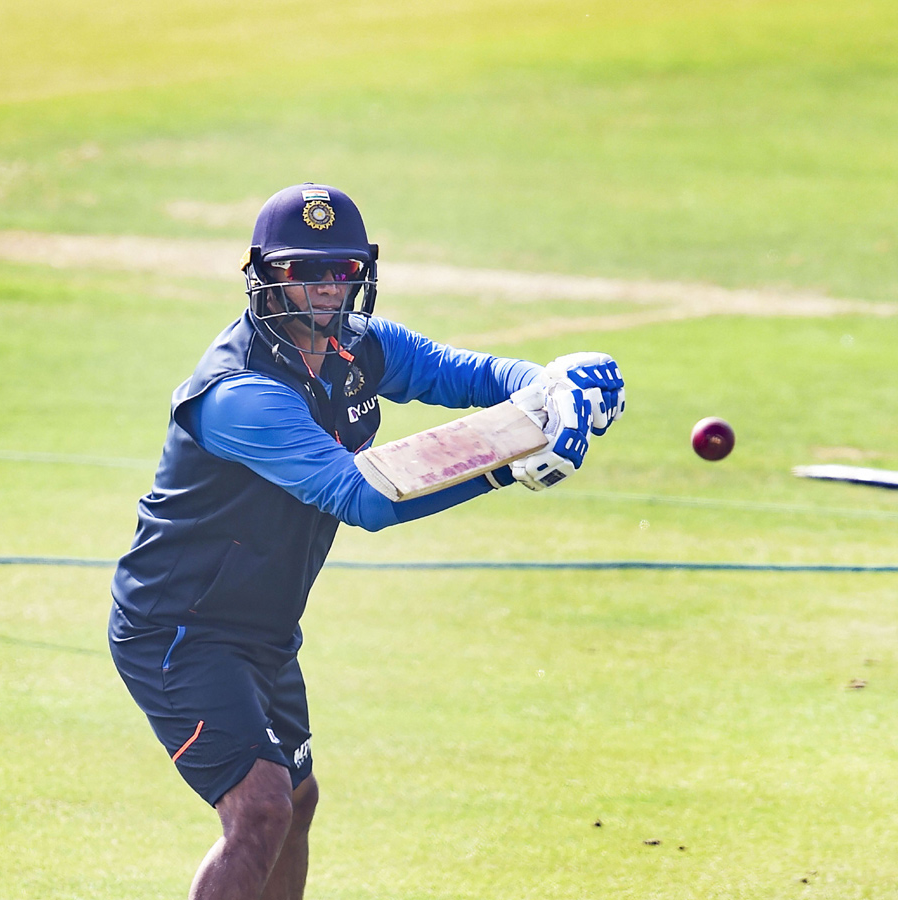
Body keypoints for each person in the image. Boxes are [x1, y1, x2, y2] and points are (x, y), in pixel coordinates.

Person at [108, 183, 624, 899]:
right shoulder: (238, 394)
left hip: (262, 627)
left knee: (296, 800)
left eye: (341, 271)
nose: (324, 288)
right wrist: (511, 466)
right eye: (304, 271)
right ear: (264, 275)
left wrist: (546, 384)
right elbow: (362, 496)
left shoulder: (358, 348)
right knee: (259, 808)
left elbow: (464, 374)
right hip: (179, 629)